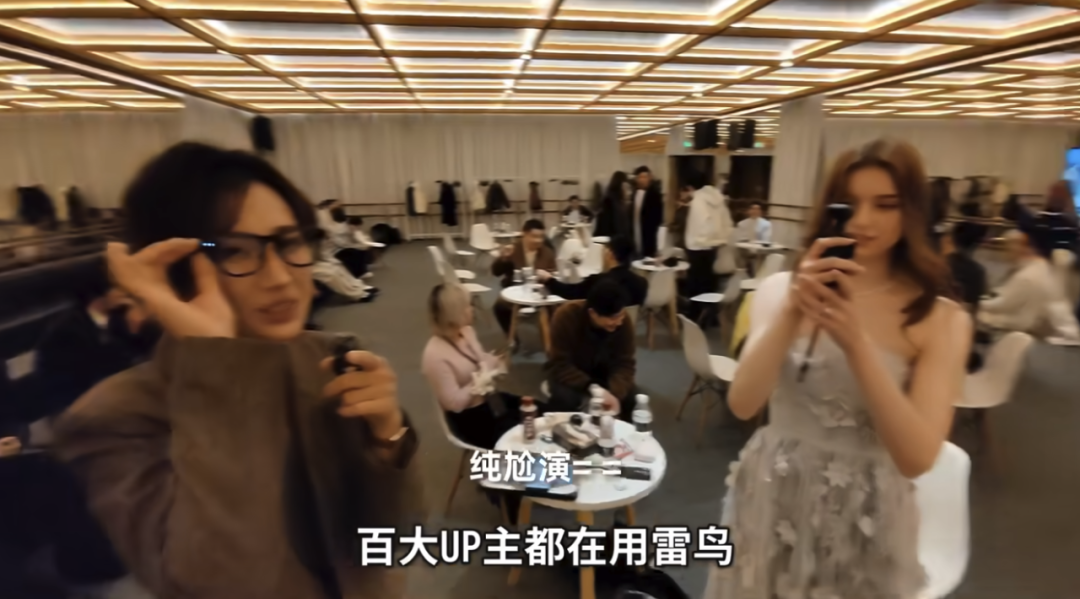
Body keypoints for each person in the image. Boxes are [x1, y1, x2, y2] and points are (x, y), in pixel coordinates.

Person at [54, 142, 422, 599]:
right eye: (235, 252)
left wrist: (388, 440)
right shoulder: (114, 418)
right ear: (176, 267)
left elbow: (393, 537)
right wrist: (219, 369)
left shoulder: (331, 359)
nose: (280, 277)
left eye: (289, 242)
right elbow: (225, 580)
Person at [704, 139, 971, 599]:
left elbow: (916, 458)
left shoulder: (940, 318)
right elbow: (743, 402)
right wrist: (793, 310)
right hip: (771, 493)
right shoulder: (779, 290)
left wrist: (857, 347)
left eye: (885, 205)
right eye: (850, 204)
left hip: (867, 513)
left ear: (912, 210)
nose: (863, 221)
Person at [422, 283, 534, 449]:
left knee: (537, 410)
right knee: (525, 433)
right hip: (470, 418)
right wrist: (477, 383)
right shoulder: (434, 356)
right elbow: (454, 404)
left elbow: (480, 360)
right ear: (455, 313)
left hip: (490, 400)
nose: (472, 309)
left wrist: (496, 361)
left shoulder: (466, 331)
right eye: (468, 306)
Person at [545, 281, 635, 419]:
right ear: (592, 313)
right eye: (613, 318)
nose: (619, 322)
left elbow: (625, 363)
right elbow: (559, 364)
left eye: (621, 314)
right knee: (564, 400)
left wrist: (613, 392)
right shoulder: (565, 316)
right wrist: (594, 389)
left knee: (631, 400)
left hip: (605, 372)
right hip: (571, 372)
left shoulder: (623, 321)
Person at [977, 229, 1058, 337]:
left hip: (1021, 323)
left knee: (976, 315)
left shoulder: (1025, 276)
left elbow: (1002, 305)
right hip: (1032, 319)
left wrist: (976, 303)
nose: (1004, 253)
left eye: (1006, 248)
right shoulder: (1041, 266)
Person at [536, 236, 648, 306]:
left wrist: (548, 279)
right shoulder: (642, 283)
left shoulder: (598, 282)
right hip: (626, 333)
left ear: (610, 254)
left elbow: (569, 292)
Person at [490, 219, 556, 334]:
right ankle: (513, 337)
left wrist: (548, 276)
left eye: (541, 237)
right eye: (534, 236)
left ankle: (552, 338)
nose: (538, 240)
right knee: (499, 307)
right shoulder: (513, 249)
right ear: (524, 234)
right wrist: (504, 258)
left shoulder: (547, 253)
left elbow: (554, 274)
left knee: (556, 308)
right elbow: (496, 272)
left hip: (540, 293)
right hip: (516, 290)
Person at [684, 171, 732, 319]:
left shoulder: (698, 200)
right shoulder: (718, 198)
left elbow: (699, 224)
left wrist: (693, 241)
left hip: (697, 246)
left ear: (691, 186)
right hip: (715, 246)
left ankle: (694, 315)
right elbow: (727, 221)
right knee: (711, 282)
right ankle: (712, 316)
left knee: (695, 284)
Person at [317, 199, 372, 280]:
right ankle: (356, 274)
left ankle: (362, 271)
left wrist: (359, 241)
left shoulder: (341, 221)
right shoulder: (325, 221)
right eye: (335, 205)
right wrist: (353, 245)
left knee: (361, 250)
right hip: (334, 249)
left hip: (342, 245)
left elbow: (351, 235)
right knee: (352, 253)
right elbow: (336, 240)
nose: (339, 207)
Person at [631, 166, 664, 257]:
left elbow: (659, 216)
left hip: (649, 232)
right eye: (640, 177)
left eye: (645, 177)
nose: (643, 180)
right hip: (635, 228)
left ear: (649, 178)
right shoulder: (634, 194)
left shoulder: (655, 195)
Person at [594, 171, 632, 241]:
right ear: (620, 185)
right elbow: (606, 227)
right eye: (627, 188)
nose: (630, 192)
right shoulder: (609, 201)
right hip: (611, 242)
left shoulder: (619, 202)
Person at [669, 184, 693, 250]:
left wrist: (673, 227)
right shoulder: (680, 207)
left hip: (686, 241)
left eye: (684, 191)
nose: (681, 193)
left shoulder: (688, 208)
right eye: (681, 191)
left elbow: (682, 223)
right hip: (682, 240)